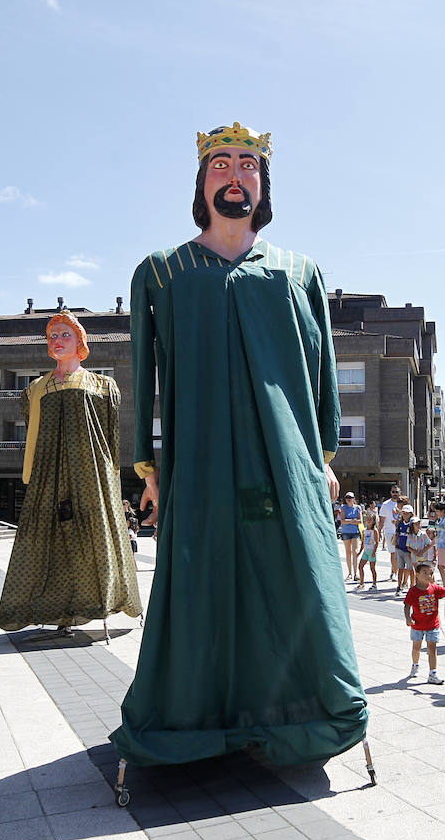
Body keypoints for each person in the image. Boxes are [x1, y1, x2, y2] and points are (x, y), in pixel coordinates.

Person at [111, 122, 367, 768]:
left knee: (295, 578)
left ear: (263, 182)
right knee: (199, 580)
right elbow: (145, 377)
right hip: (197, 463)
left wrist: (323, 458)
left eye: (248, 166)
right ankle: (191, 721)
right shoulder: (163, 275)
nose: (234, 177)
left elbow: (321, 373)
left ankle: (305, 714)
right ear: (201, 183)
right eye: (221, 165)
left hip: (282, 464)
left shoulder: (297, 272)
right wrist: (149, 465)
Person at [0, 311, 141, 635]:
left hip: (91, 475)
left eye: (65, 335)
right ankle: (55, 608)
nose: (57, 341)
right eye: (52, 336)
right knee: (46, 539)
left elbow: (111, 438)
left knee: (93, 537)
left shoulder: (102, 385)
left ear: (80, 342)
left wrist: (112, 478)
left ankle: (100, 600)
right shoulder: (36, 389)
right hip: (48, 473)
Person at [404, 562, 445, 685]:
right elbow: (407, 605)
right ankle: (415, 665)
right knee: (416, 648)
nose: (428, 576)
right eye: (425, 573)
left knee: (432, 649)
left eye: (430, 573)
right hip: (417, 625)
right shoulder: (413, 591)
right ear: (417, 575)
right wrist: (408, 618)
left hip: (432, 625)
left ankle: (433, 673)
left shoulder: (434, 588)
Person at [338, 492, 362, 580]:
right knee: (348, 552)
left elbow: (360, 521)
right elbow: (342, 521)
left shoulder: (357, 507)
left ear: (353, 498)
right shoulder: (343, 507)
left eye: (350, 497)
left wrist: (349, 520)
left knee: (355, 552)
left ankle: (356, 573)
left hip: (355, 532)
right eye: (347, 497)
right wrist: (352, 520)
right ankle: (349, 573)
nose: (348, 499)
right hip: (346, 532)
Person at [355, 509, 380, 589]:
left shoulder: (374, 531)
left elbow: (376, 542)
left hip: (372, 551)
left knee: (372, 568)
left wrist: (374, 551)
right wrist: (359, 552)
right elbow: (363, 542)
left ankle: (374, 584)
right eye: (368, 519)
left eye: (370, 520)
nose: (368, 521)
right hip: (366, 551)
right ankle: (362, 583)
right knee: (360, 566)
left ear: (373, 521)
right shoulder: (364, 531)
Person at [394, 504, 415, 592]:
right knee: (401, 568)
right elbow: (397, 534)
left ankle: (412, 586)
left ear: (411, 514)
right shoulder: (400, 523)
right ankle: (399, 586)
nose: (405, 514)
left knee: (410, 569)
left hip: (409, 550)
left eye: (407, 513)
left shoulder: (412, 524)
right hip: (400, 548)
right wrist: (396, 543)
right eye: (403, 512)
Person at [378, 485, 401, 555]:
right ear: (390, 493)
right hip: (390, 532)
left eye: (396, 492)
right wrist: (378, 532)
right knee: (393, 553)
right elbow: (381, 520)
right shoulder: (385, 504)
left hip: (402, 532)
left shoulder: (403, 503)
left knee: (401, 553)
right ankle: (394, 566)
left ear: (399, 493)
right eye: (393, 492)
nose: (395, 493)